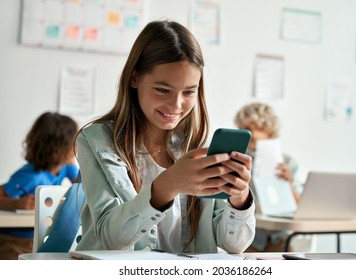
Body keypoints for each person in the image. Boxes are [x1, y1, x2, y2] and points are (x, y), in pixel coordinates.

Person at [75, 20, 256, 254]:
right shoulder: (96, 141)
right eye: (162, 89)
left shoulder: (195, 146)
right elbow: (111, 239)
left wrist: (240, 197)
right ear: (134, 78)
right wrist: (167, 186)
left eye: (189, 91)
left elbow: (234, 244)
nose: (176, 104)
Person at [0, 111, 80, 259]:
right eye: (73, 142)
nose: (77, 146)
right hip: (14, 241)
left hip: (40, 238)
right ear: (59, 148)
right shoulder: (30, 176)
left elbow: (84, 186)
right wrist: (15, 203)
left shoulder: (66, 167)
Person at [234, 102, 301, 252]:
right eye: (241, 129)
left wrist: (288, 182)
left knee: (286, 255)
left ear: (268, 130)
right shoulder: (238, 158)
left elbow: (300, 207)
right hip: (250, 236)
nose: (245, 134)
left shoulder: (287, 163)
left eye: (249, 129)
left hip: (278, 235)